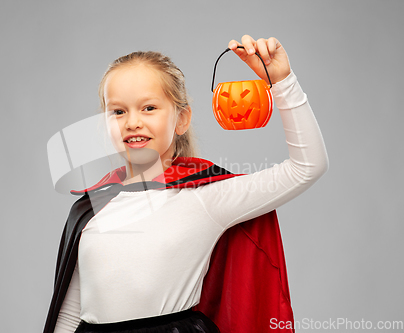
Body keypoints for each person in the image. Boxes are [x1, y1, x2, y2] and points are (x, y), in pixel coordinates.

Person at [43, 35, 329, 333]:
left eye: (149, 108)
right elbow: (71, 312)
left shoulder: (206, 198)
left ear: (182, 120)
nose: (132, 122)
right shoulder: (91, 208)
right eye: (118, 111)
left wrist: (282, 81)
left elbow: (307, 166)